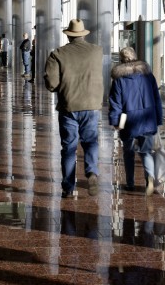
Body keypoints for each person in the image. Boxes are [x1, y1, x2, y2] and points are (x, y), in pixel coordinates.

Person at [45, 19, 104, 198]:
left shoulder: (58, 54)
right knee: (90, 141)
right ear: (83, 34)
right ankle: (92, 172)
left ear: (69, 35)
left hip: (68, 106)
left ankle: (68, 187)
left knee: (69, 147)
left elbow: (51, 84)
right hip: (92, 105)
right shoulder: (96, 51)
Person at [108, 47, 163, 196]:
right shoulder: (148, 76)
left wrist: (115, 121)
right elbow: (157, 99)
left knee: (128, 153)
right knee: (146, 152)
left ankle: (130, 183)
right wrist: (158, 118)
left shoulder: (119, 80)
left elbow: (116, 103)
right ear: (136, 57)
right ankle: (149, 178)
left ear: (121, 60)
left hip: (129, 122)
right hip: (147, 119)